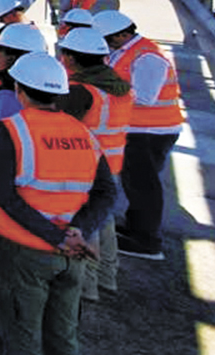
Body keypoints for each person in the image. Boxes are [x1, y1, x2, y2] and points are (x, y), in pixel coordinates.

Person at [0, 52, 116, 355]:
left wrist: (56, 237)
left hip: (24, 252)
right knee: (63, 335)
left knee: (22, 334)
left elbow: (4, 195)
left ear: (19, 90)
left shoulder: (12, 130)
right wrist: (77, 231)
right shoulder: (83, 133)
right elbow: (106, 192)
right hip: (73, 252)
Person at [94, 10, 184, 261]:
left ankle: (147, 241)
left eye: (109, 39)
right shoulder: (125, 51)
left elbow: (145, 96)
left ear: (123, 34)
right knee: (134, 182)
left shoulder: (147, 57)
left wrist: (106, 89)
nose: (106, 44)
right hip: (136, 130)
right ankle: (136, 227)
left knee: (144, 185)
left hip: (150, 132)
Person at [55, 27, 134, 300]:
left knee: (85, 224)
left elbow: (59, 126)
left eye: (64, 53)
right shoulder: (118, 85)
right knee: (105, 218)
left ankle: (85, 286)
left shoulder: (81, 91)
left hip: (85, 167)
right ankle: (107, 277)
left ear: (72, 59)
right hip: (111, 163)